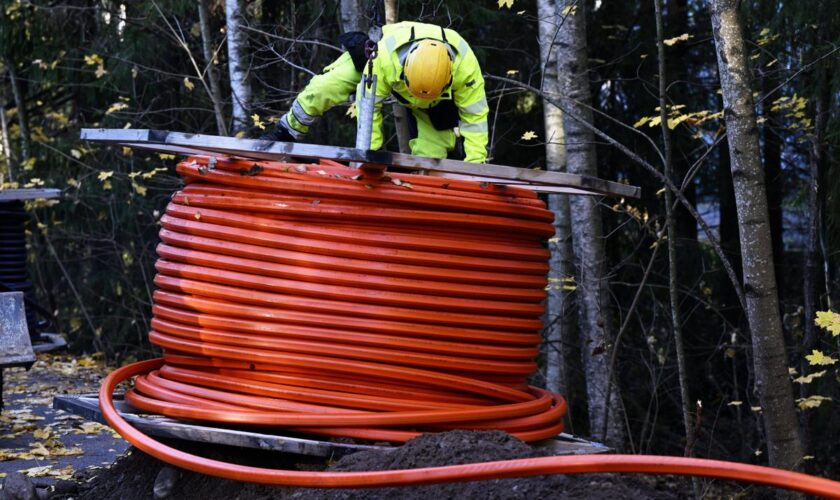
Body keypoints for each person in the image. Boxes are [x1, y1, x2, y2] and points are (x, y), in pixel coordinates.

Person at [260, 21, 489, 163]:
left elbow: (475, 120)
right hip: (377, 60)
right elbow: (369, 106)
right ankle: (286, 131)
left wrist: (476, 168)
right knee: (325, 87)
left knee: (432, 159)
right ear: (405, 69)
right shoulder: (385, 58)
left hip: (436, 103)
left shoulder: (467, 70)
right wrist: (370, 156)